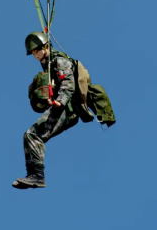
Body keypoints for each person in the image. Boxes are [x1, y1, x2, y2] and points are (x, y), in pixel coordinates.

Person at [12, 31, 115, 190]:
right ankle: (34, 175)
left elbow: (68, 83)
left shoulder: (59, 61)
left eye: (36, 51)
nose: (35, 55)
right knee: (31, 135)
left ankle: (37, 176)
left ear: (45, 47)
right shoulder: (48, 65)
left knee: (32, 134)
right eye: (33, 53)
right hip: (61, 107)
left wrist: (60, 102)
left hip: (67, 109)